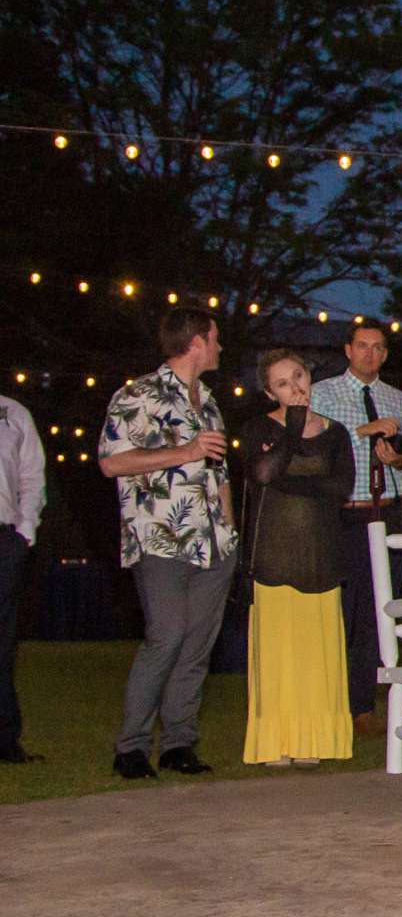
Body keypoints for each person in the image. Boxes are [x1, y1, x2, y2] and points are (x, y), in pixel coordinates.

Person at [97, 308, 240, 780]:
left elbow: (218, 473)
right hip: (161, 539)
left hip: (214, 544)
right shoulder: (138, 395)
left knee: (197, 645)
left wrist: (230, 530)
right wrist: (185, 452)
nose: (221, 347)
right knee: (167, 637)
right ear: (197, 342)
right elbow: (111, 463)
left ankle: (179, 744)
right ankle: (131, 747)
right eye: (216, 338)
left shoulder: (211, 401)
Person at [310, 322, 402, 738]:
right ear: (347, 349)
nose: (369, 355)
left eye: (378, 348)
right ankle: (326, 704)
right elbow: (316, 448)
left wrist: (397, 460)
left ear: (385, 354)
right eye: (362, 346)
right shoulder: (323, 393)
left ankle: (362, 707)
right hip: (342, 514)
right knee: (338, 610)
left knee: (378, 614)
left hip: (387, 512)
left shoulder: (397, 399)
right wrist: (364, 433)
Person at [240, 349, 356, 766]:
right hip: (273, 553)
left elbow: (341, 488)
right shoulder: (258, 429)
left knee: (315, 654)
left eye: (299, 376)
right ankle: (276, 743)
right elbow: (263, 475)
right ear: (270, 391)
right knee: (278, 654)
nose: (296, 387)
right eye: (283, 383)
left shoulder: (337, 432)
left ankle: (314, 742)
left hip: (320, 556)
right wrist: (289, 434)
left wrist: (290, 483)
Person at [0, 388, 43, 764]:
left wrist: (24, 530)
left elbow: (31, 475)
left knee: (2, 640)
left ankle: (5, 739)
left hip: (4, 538)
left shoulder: (12, 412)